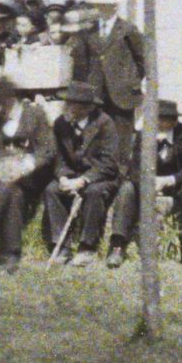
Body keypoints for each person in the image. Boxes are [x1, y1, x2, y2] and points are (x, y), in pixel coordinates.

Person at [106, 98, 182, 269]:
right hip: (149, 185)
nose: (161, 124)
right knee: (126, 188)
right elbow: (134, 169)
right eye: (157, 119)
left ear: (175, 121)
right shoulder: (144, 134)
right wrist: (149, 183)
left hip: (178, 183)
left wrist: (168, 181)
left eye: (166, 120)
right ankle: (117, 246)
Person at [0, 76, 58, 272]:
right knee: (13, 194)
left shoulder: (34, 115)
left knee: (13, 187)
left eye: (2, 102)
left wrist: (23, 168)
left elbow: (47, 150)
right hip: (4, 181)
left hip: (32, 177)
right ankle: (11, 255)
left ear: (12, 98)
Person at [44, 81, 121, 267]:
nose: (67, 107)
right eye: (67, 103)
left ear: (87, 108)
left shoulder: (105, 124)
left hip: (100, 176)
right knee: (52, 190)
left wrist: (83, 180)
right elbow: (59, 158)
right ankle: (62, 247)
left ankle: (87, 248)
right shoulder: (61, 123)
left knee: (93, 193)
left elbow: (110, 163)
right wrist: (63, 177)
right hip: (71, 175)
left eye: (72, 104)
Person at [69, 0, 150, 140]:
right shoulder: (87, 31)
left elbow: (142, 61)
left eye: (106, 4)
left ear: (115, 6)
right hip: (96, 95)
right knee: (96, 139)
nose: (102, 8)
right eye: (99, 5)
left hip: (122, 96)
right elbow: (81, 64)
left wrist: (128, 81)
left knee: (121, 140)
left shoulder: (128, 29)